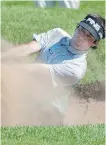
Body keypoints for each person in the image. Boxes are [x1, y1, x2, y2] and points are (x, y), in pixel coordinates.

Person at [1, 13, 105, 125]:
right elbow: (27, 48)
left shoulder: (76, 68)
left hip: (49, 111)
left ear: (94, 43)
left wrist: (6, 70)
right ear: (77, 27)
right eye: (81, 29)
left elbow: (36, 71)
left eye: (88, 36)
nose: (81, 36)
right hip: (28, 90)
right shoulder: (57, 34)